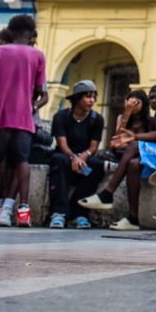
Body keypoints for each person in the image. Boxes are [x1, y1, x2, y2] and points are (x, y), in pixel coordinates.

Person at [0, 14, 48, 228]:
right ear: (30, 33)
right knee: (22, 161)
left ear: (10, 31)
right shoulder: (38, 55)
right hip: (23, 115)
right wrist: (28, 100)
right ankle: (23, 211)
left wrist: (1, 95)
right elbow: (39, 90)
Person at [79, 88, 156, 231]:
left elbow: (154, 145)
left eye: (137, 103)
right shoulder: (122, 117)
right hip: (123, 155)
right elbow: (116, 141)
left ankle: (109, 195)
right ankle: (132, 219)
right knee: (132, 163)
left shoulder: (151, 121)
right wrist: (127, 112)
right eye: (130, 102)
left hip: (143, 157)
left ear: (143, 104)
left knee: (133, 154)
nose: (133, 105)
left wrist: (134, 142)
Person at [48, 80, 106, 229]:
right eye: (88, 96)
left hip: (84, 159)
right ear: (77, 98)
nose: (92, 101)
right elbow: (62, 144)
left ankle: (79, 213)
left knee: (97, 165)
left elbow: (94, 146)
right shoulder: (61, 117)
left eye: (94, 97)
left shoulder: (97, 119)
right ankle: (58, 213)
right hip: (66, 157)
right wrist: (74, 157)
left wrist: (82, 157)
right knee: (58, 159)